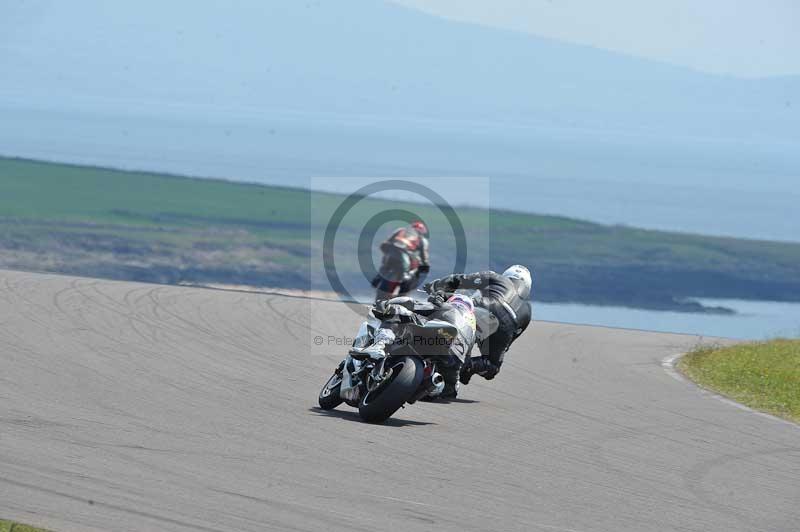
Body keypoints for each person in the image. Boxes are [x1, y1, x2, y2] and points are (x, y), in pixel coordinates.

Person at [424, 265, 532, 384]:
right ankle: (469, 366)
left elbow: (460, 279)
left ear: (506, 275)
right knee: (493, 367)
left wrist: (436, 286)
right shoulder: (527, 310)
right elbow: (509, 341)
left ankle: (426, 333)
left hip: (484, 307)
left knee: (446, 305)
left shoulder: (496, 277)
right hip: (506, 327)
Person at [367, 292, 477, 399]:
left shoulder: (448, 307)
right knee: (446, 390)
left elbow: (413, 305)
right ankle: (428, 386)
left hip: (435, 334)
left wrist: (386, 305)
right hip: (452, 359)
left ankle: (380, 344)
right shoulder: (472, 330)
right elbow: (465, 363)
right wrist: (453, 385)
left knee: (397, 313)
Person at [371, 220, 430, 301]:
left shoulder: (403, 231)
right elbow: (423, 255)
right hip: (397, 257)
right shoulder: (407, 234)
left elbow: (388, 242)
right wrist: (425, 265)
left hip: (394, 257)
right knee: (407, 275)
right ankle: (399, 284)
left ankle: (379, 279)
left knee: (386, 268)